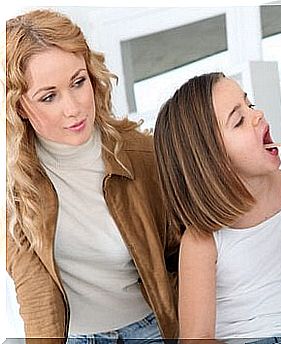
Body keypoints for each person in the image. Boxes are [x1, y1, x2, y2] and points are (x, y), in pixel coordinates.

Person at [5, 9, 180, 342]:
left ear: (92, 75)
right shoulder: (18, 185)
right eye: (49, 96)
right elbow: (37, 299)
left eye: (78, 82)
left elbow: (186, 254)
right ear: (21, 107)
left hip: (153, 330)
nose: (73, 108)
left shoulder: (143, 155)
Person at [153, 72, 281, 343]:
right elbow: (196, 338)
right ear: (211, 161)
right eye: (238, 121)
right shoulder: (202, 240)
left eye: (249, 104)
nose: (257, 114)